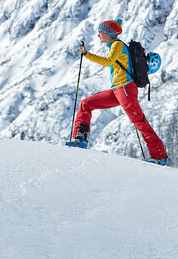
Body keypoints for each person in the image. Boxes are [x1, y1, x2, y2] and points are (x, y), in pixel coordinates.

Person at [66, 18, 168, 165]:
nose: (98, 35)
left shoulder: (117, 45)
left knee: (139, 121)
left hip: (125, 89)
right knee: (86, 104)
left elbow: (108, 61)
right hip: (117, 90)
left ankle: (159, 156)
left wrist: (87, 54)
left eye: (100, 32)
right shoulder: (114, 44)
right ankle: (80, 140)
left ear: (108, 33)